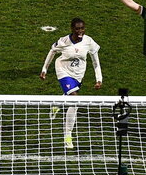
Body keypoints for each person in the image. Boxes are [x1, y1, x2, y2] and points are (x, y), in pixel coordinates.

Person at [40, 18, 103, 149]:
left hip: (78, 74)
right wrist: (44, 69)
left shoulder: (88, 41)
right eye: (77, 29)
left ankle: (56, 104)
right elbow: (52, 51)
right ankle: (67, 135)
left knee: (70, 98)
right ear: (72, 29)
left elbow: (95, 61)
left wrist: (99, 79)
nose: (80, 31)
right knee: (75, 100)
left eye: (82, 28)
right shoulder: (64, 41)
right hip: (63, 71)